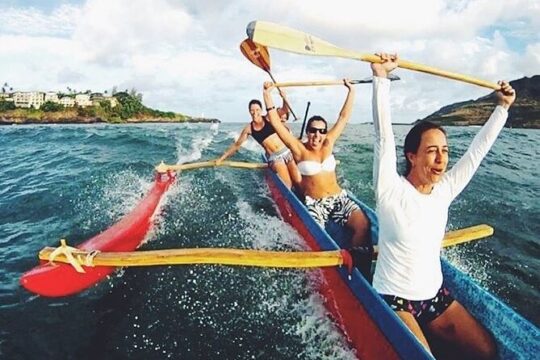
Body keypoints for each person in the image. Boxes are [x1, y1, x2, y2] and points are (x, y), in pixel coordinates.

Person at [370, 53, 515, 359]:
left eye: (445, 152)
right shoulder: (390, 188)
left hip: (434, 296)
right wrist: (381, 78)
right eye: (432, 151)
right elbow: (383, 136)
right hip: (394, 298)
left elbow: (477, 152)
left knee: (487, 351)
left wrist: (502, 108)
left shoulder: (444, 189)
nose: (441, 159)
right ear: (412, 156)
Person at [263, 80, 373, 280]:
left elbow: (344, 116)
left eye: (322, 131)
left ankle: (359, 272)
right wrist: (267, 94)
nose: (317, 135)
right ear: (308, 132)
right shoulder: (299, 149)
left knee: (363, 225)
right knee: (317, 238)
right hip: (316, 204)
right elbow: (276, 123)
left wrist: (351, 90)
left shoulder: (329, 143)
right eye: (313, 130)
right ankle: (324, 274)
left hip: (339, 198)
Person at [216, 89, 300, 189]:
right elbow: (236, 145)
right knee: (288, 185)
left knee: (298, 181)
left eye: (257, 110)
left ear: (261, 110)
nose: (255, 112)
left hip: (287, 152)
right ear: (249, 111)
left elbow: (285, 110)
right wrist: (221, 159)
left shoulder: (269, 118)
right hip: (275, 159)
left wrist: (284, 98)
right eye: (252, 110)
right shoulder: (249, 129)